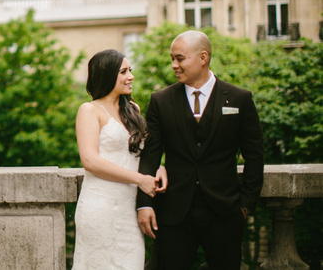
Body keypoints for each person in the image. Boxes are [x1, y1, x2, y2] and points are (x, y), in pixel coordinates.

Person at [137, 30, 264, 270]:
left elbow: (255, 154)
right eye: (172, 58)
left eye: (180, 58)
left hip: (225, 213)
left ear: (203, 57)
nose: (174, 65)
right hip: (173, 214)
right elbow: (150, 156)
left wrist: (246, 204)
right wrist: (144, 204)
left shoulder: (239, 99)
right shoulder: (160, 101)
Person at [73, 49, 166, 269]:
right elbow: (90, 161)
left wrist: (158, 168)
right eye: (123, 71)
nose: (131, 76)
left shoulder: (132, 110)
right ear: (106, 75)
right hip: (100, 207)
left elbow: (136, 153)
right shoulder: (89, 110)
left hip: (128, 210)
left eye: (130, 70)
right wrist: (139, 179)